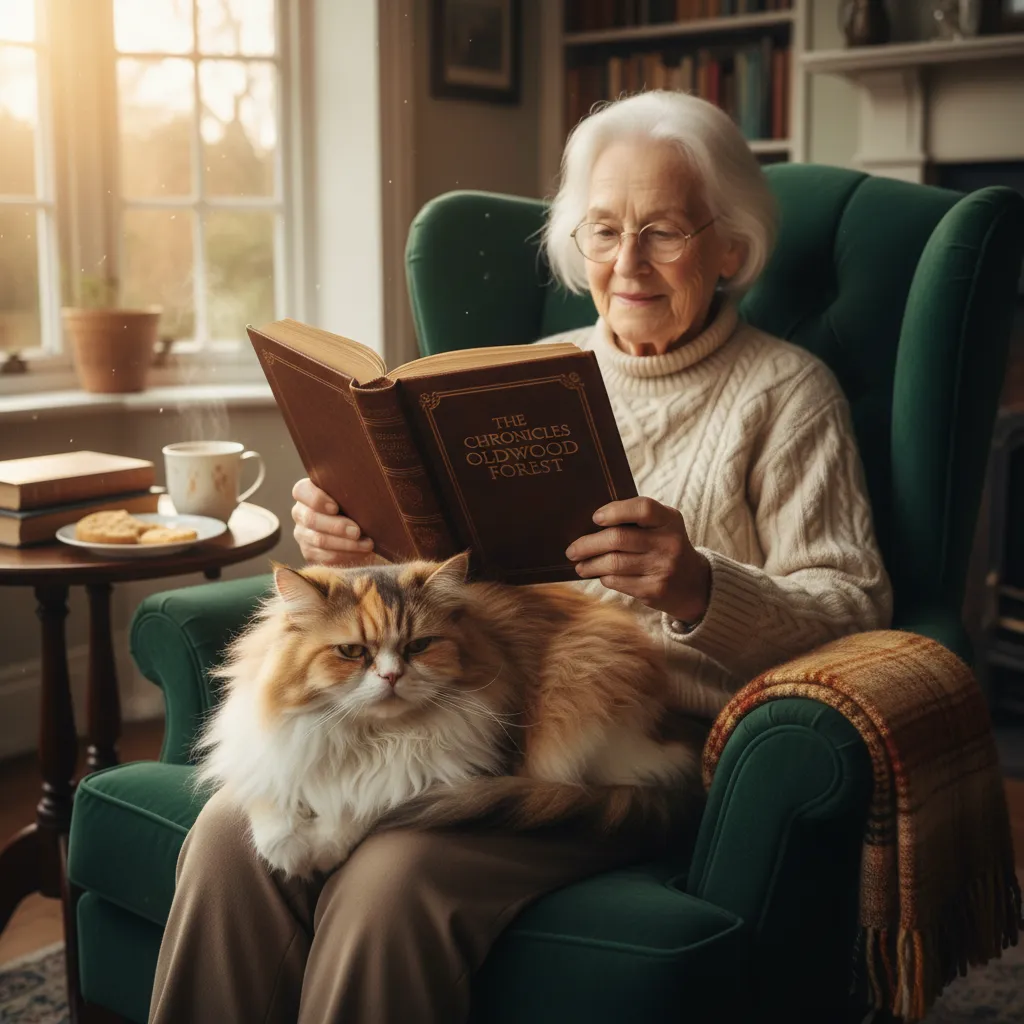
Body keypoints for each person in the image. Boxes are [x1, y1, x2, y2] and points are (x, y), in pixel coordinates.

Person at [149, 91, 892, 1023]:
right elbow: (441, 579)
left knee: (391, 879)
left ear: (731, 249)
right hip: (462, 710)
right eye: (604, 229)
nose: (628, 262)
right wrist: (354, 546)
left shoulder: (787, 393)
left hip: (626, 745)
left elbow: (856, 606)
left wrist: (700, 586)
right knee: (227, 836)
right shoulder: (529, 370)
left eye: (663, 231)